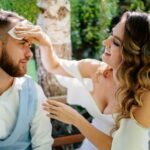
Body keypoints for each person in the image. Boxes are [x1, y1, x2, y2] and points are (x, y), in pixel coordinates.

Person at [14, 11, 150, 150]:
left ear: (134, 54)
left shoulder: (143, 97)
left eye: (115, 42)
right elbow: (54, 66)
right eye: (111, 35)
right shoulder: (96, 70)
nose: (105, 42)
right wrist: (45, 43)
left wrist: (76, 119)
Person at [0, 10, 53, 150]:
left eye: (30, 45)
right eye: (22, 43)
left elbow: (43, 145)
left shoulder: (33, 92)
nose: (29, 54)